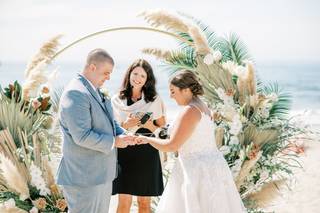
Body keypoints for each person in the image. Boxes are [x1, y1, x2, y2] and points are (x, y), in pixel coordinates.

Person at [136, 71, 246, 213]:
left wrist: (146, 139)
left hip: (195, 171)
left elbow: (172, 146)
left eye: (173, 91)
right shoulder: (203, 106)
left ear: (186, 90)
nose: (171, 96)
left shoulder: (190, 111)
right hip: (212, 167)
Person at [56, 49, 135, 213]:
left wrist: (123, 135)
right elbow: (82, 136)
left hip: (100, 175)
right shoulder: (76, 93)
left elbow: (109, 122)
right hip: (84, 178)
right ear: (92, 67)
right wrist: (115, 142)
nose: (108, 77)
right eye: (106, 72)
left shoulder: (93, 89)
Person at [111, 59, 166, 213]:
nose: (138, 78)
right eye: (135, 73)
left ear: (147, 79)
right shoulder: (117, 100)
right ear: (129, 75)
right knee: (124, 202)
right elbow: (111, 128)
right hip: (124, 152)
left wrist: (147, 124)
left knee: (144, 203)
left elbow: (162, 129)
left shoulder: (154, 99)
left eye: (143, 76)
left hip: (147, 152)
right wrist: (126, 125)